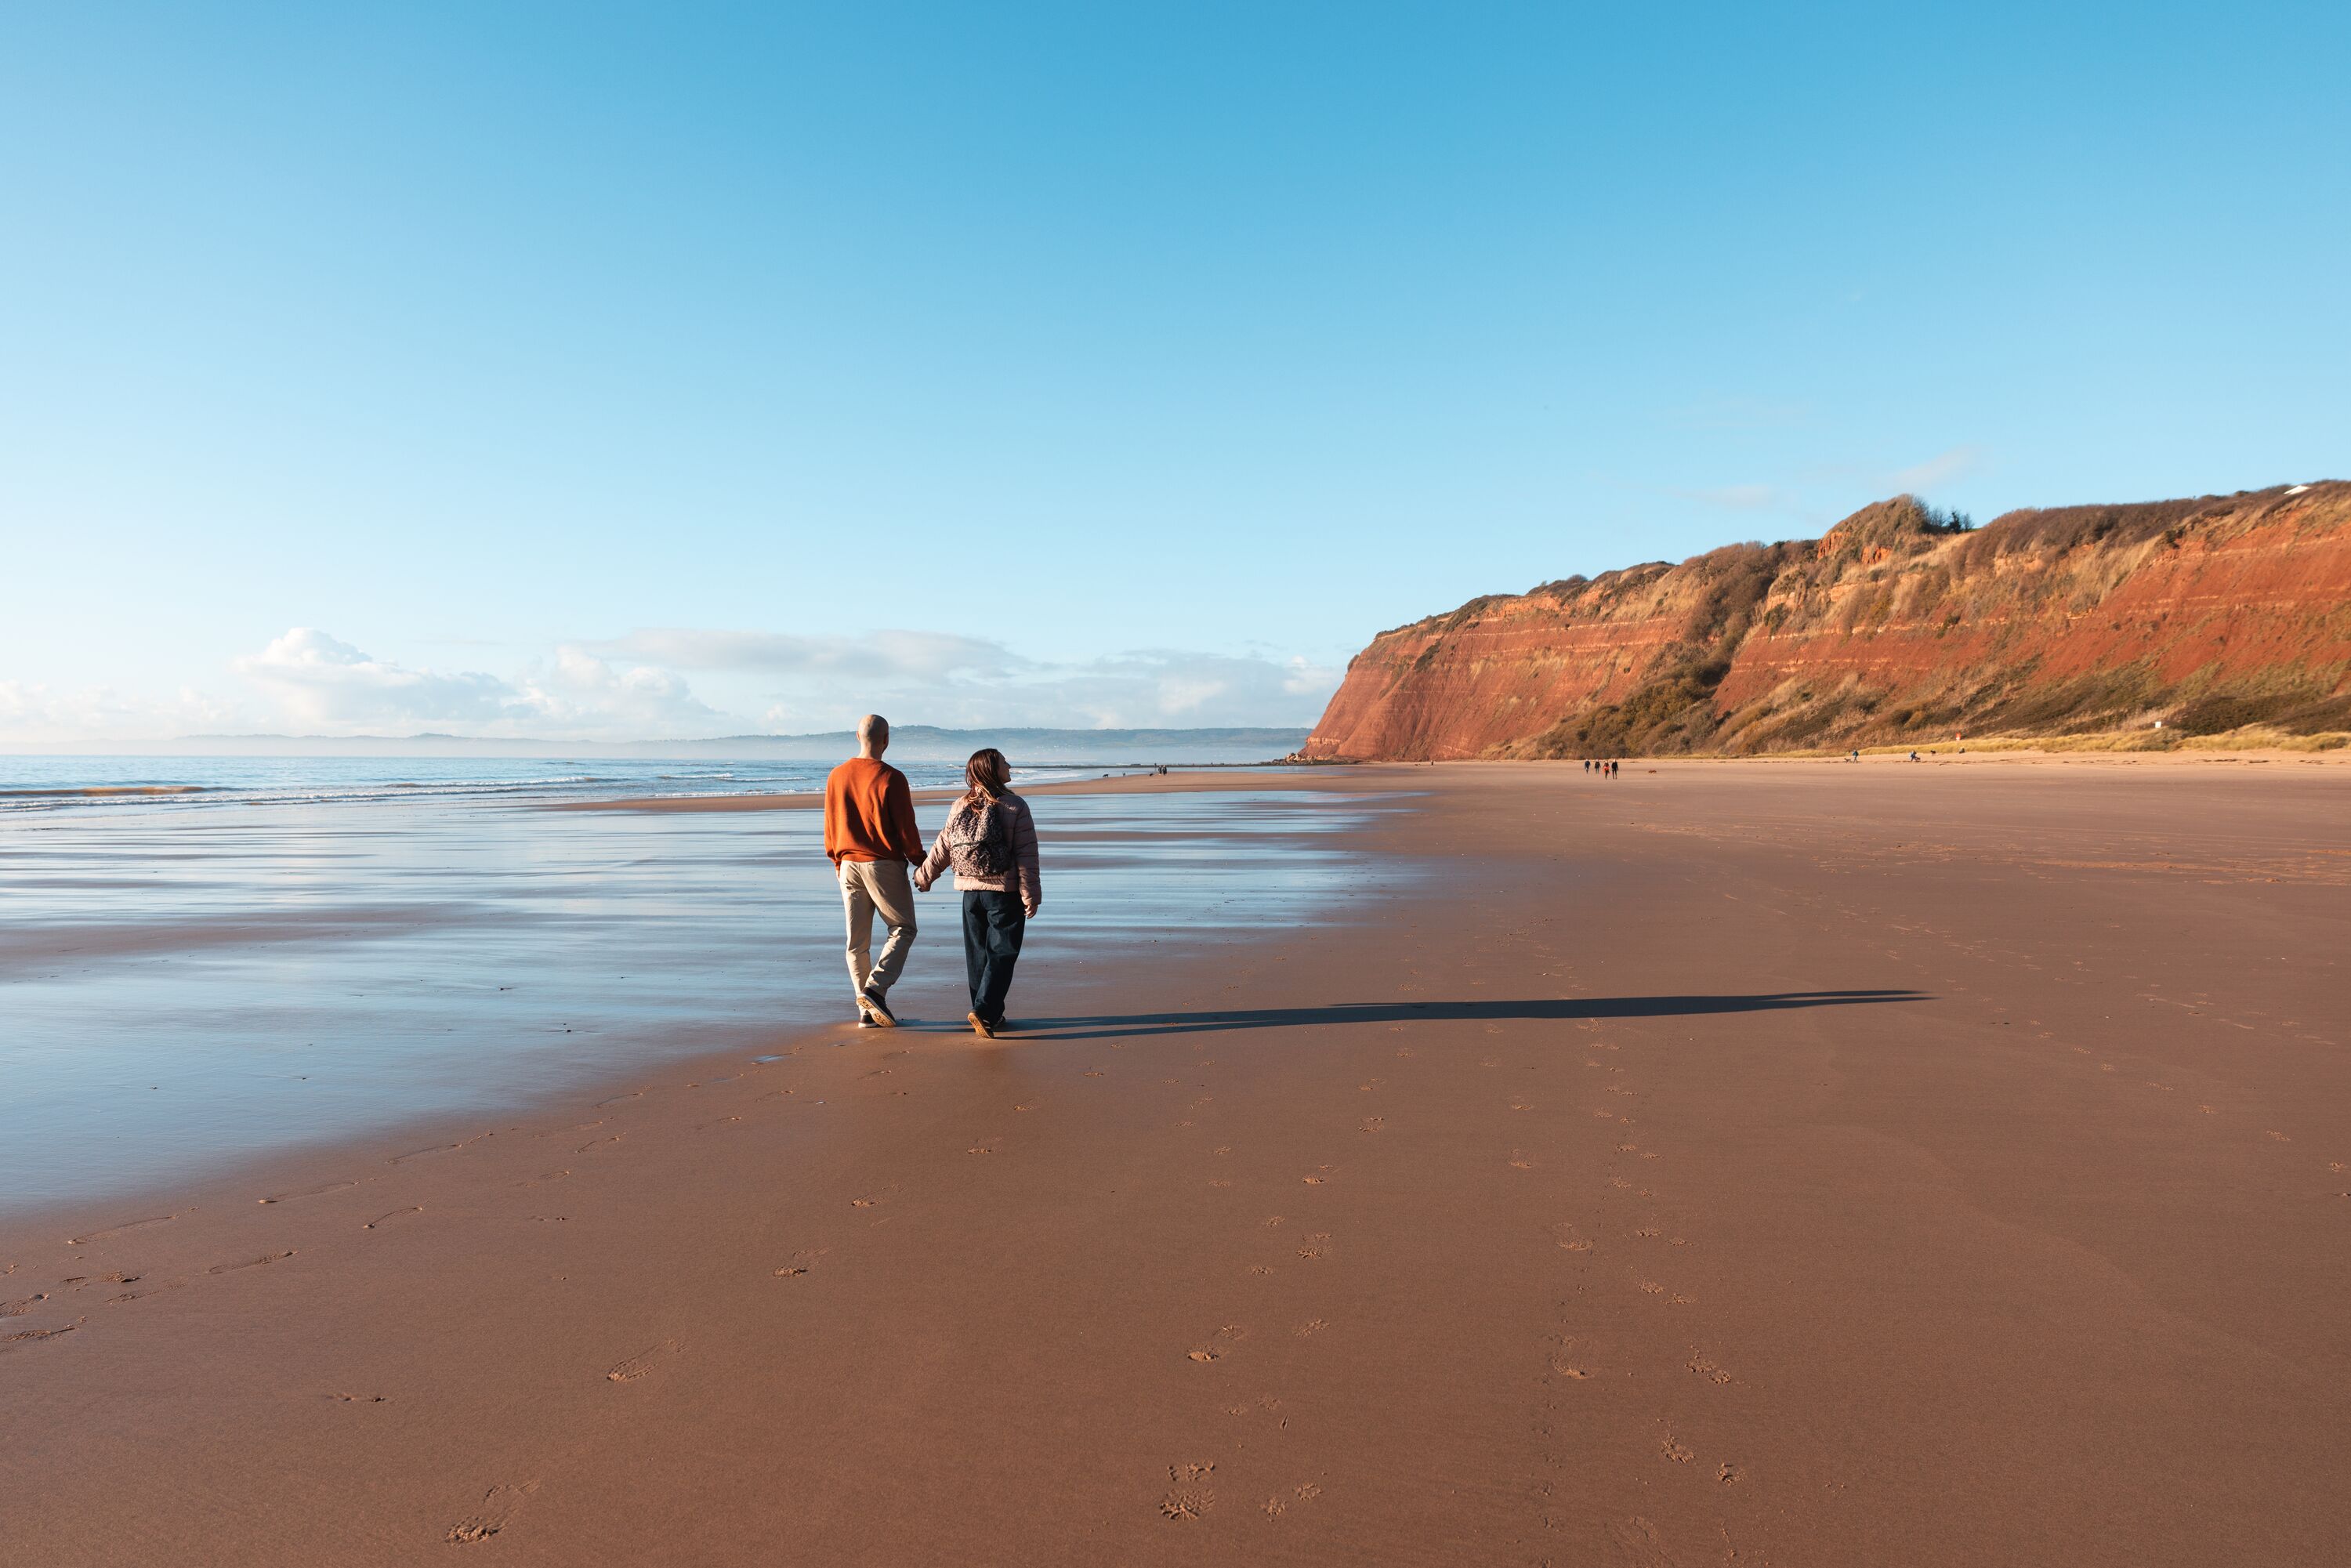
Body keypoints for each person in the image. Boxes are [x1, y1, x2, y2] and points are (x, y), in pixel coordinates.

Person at [914, 748, 1041, 1039]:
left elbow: (943, 846)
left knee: (977, 954)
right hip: (1003, 892)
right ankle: (984, 1011)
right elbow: (1026, 854)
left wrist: (924, 876)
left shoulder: (960, 804)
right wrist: (1030, 893)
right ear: (992, 770)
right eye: (1003, 762)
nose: (1009, 765)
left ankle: (988, 1012)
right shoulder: (1015, 806)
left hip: (970, 892)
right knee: (1002, 952)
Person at [823, 714, 926, 1028]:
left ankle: (865, 1011)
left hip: (848, 864)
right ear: (886, 740)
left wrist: (837, 862)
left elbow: (830, 825)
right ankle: (874, 990)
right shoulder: (892, 777)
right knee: (903, 928)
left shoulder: (836, 776)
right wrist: (919, 858)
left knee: (857, 943)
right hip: (882, 864)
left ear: (857, 737)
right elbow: (906, 827)